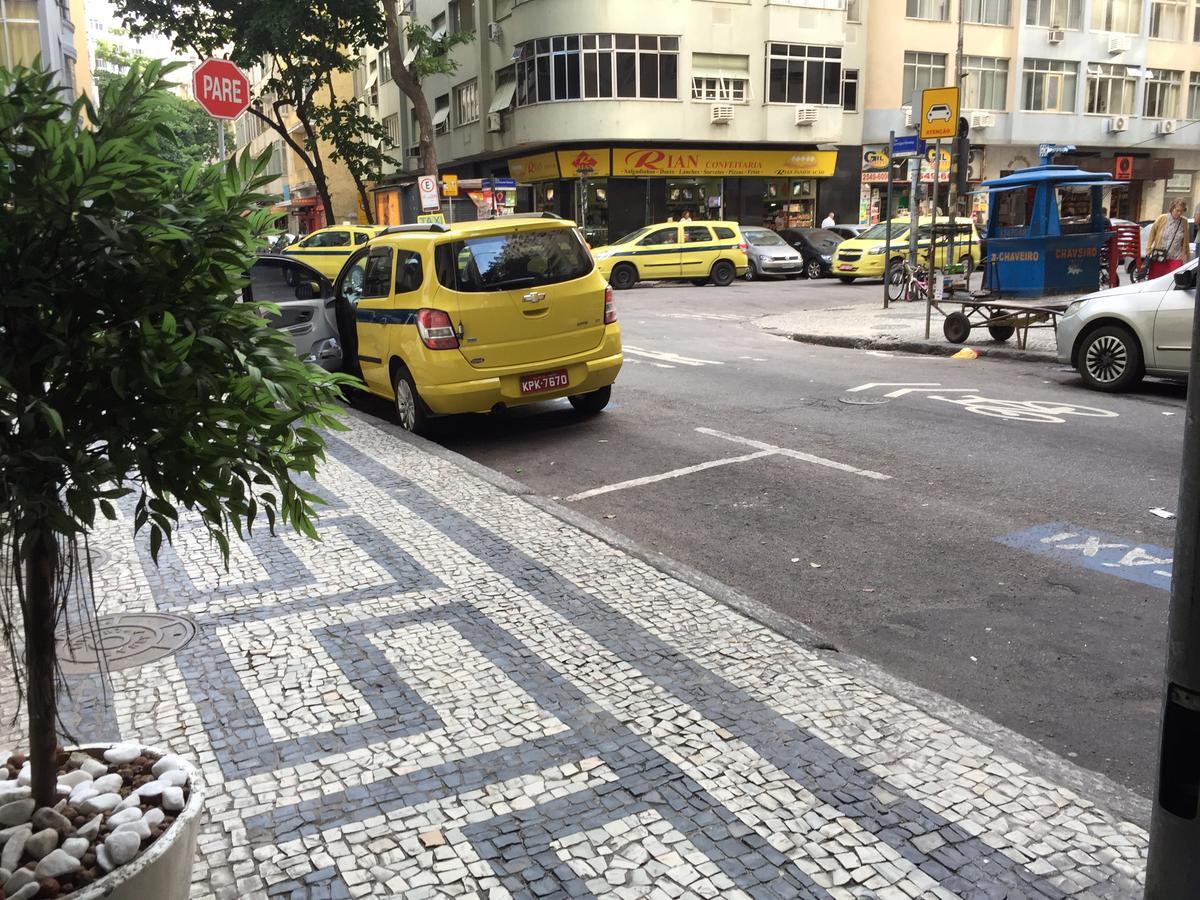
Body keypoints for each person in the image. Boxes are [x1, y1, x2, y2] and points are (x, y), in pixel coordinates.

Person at [1146, 199, 1192, 279]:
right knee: (1156, 282)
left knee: (1173, 282)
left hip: (1176, 258)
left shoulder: (1184, 222)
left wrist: (1185, 255)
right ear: (1172, 208)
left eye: (1182, 211)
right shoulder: (1162, 218)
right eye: (1177, 210)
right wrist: (1148, 249)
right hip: (1160, 257)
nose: (1179, 213)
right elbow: (1152, 234)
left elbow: (1185, 240)